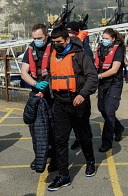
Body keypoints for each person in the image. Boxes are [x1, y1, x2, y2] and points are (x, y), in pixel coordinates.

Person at [43, 26, 98, 191]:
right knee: (60, 139)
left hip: (78, 101)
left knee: (83, 136)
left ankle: (90, 161)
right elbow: (49, 74)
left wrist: (83, 94)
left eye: (59, 42)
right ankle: (63, 176)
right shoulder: (52, 55)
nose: (56, 45)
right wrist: (42, 90)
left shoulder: (80, 54)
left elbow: (92, 77)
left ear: (67, 40)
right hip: (60, 102)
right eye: (53, 42)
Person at [21, 23, 57, 172]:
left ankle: (55, 157)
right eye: (34, 38)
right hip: (36, 91)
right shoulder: (30, 49)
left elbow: (57, 71)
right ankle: (40, 155)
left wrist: (46, 86)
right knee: (35, 128)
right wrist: (36, 84)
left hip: (52, 93)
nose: (37, 40)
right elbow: (24, 72)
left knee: (53, 127)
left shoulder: (54, 48)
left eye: (40, 38)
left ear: (46, 36)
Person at [94, 28, 125, 152]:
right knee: (102, 109)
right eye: (103, 38)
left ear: (113, 39)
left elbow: (114, 70)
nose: (104, 40)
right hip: (102, 84)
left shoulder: (118, 50)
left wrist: (98, 76)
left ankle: (107, 143)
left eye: (107, 38)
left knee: (109, 111)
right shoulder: (100, 49)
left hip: (114, 83)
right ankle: (118, 128)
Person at [65, 21, 94, 150]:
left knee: (83, 120)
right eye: (68, 32)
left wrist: (84, 91)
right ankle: (78, 138)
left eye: (72, 32)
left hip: (81, 89)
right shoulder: (63, 47)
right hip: (67, 90)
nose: (69, 35)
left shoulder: (84, 48)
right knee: (73, 120)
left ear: (77, 33)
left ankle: (86, 141)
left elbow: (90, 70)